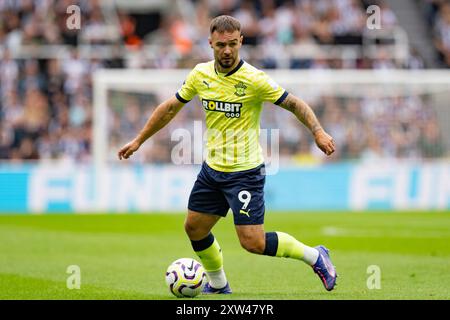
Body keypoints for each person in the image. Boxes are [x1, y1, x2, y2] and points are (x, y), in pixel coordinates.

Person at [118, 15, 337, 293]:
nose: (227, 51)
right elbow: (170, 108)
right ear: (210, 43)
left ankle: (316, 256)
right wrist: (139, 140)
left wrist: (318, 131)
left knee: (252, 243)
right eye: (221, 44)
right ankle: (219, 284)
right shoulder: (200, 74)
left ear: (241, 41)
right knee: (194, 228)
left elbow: (294, 104)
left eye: (233, 44)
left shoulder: (254, 79)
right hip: (212, 171)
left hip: (245, 172)